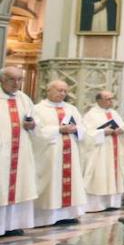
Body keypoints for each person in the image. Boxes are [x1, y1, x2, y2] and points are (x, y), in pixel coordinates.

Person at [30, 80, 86, 226]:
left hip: (70, 152)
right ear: (48, 91)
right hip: (50, 153)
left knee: (70, 181)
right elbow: (36, 132)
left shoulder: (71, 109)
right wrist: (59, 130)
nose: (62, 94)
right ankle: (47, 217)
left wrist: (76, 129)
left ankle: (68, 214)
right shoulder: (38, 109)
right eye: (59, 90)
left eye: (64, 91)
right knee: (51, 182)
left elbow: (83, 128)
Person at [81, 90, 124, 212]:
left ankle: (112, 203)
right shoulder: (91, 114)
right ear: (99, 100)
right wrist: (102, 132)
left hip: (115, 149)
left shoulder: (114, 113)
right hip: (100, 151)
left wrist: (121, 131)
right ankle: (96, 205)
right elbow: (87, 134)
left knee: (113, 175)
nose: (111, 101)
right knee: (100, 176)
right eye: (108, 99)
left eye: (112, 98)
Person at [0, 67, 38, 235]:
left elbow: (35, 121)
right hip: (3, 152)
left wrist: (32, 125)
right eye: (12, 79)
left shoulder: (24, 99)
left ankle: (12, 225)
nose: (16, 84)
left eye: (19, 80)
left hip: (20, 152)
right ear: (2, 79)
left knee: (18, 187)